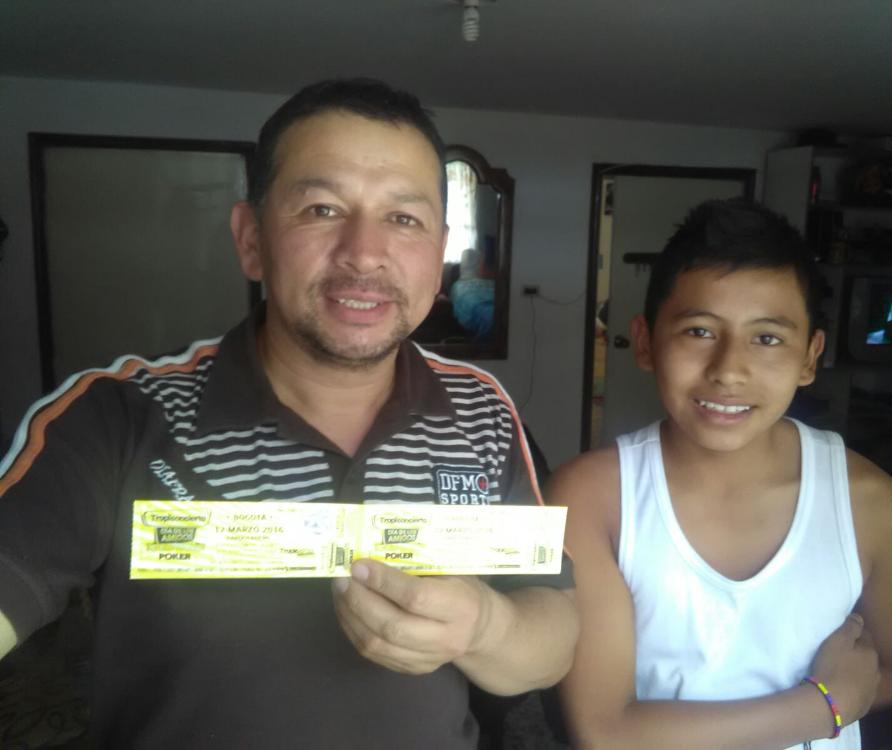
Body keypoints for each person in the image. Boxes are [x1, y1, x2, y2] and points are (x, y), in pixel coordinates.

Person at [0, 78, 577, 747]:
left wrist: (485, 627)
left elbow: (553, 637)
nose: (364, 253)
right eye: (322, 209)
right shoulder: (118, 414)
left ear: (439, 251)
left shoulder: (483, 410)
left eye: (403, 218)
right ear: (251, 240)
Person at [551, 200, 892, 749]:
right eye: (699, 331)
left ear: (810, 356)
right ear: (645, 341)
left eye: (768, 338)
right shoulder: (592, 499)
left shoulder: (869, 504)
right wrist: (823, 705)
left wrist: (834, 701)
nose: (729, 370)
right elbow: (606, 732)